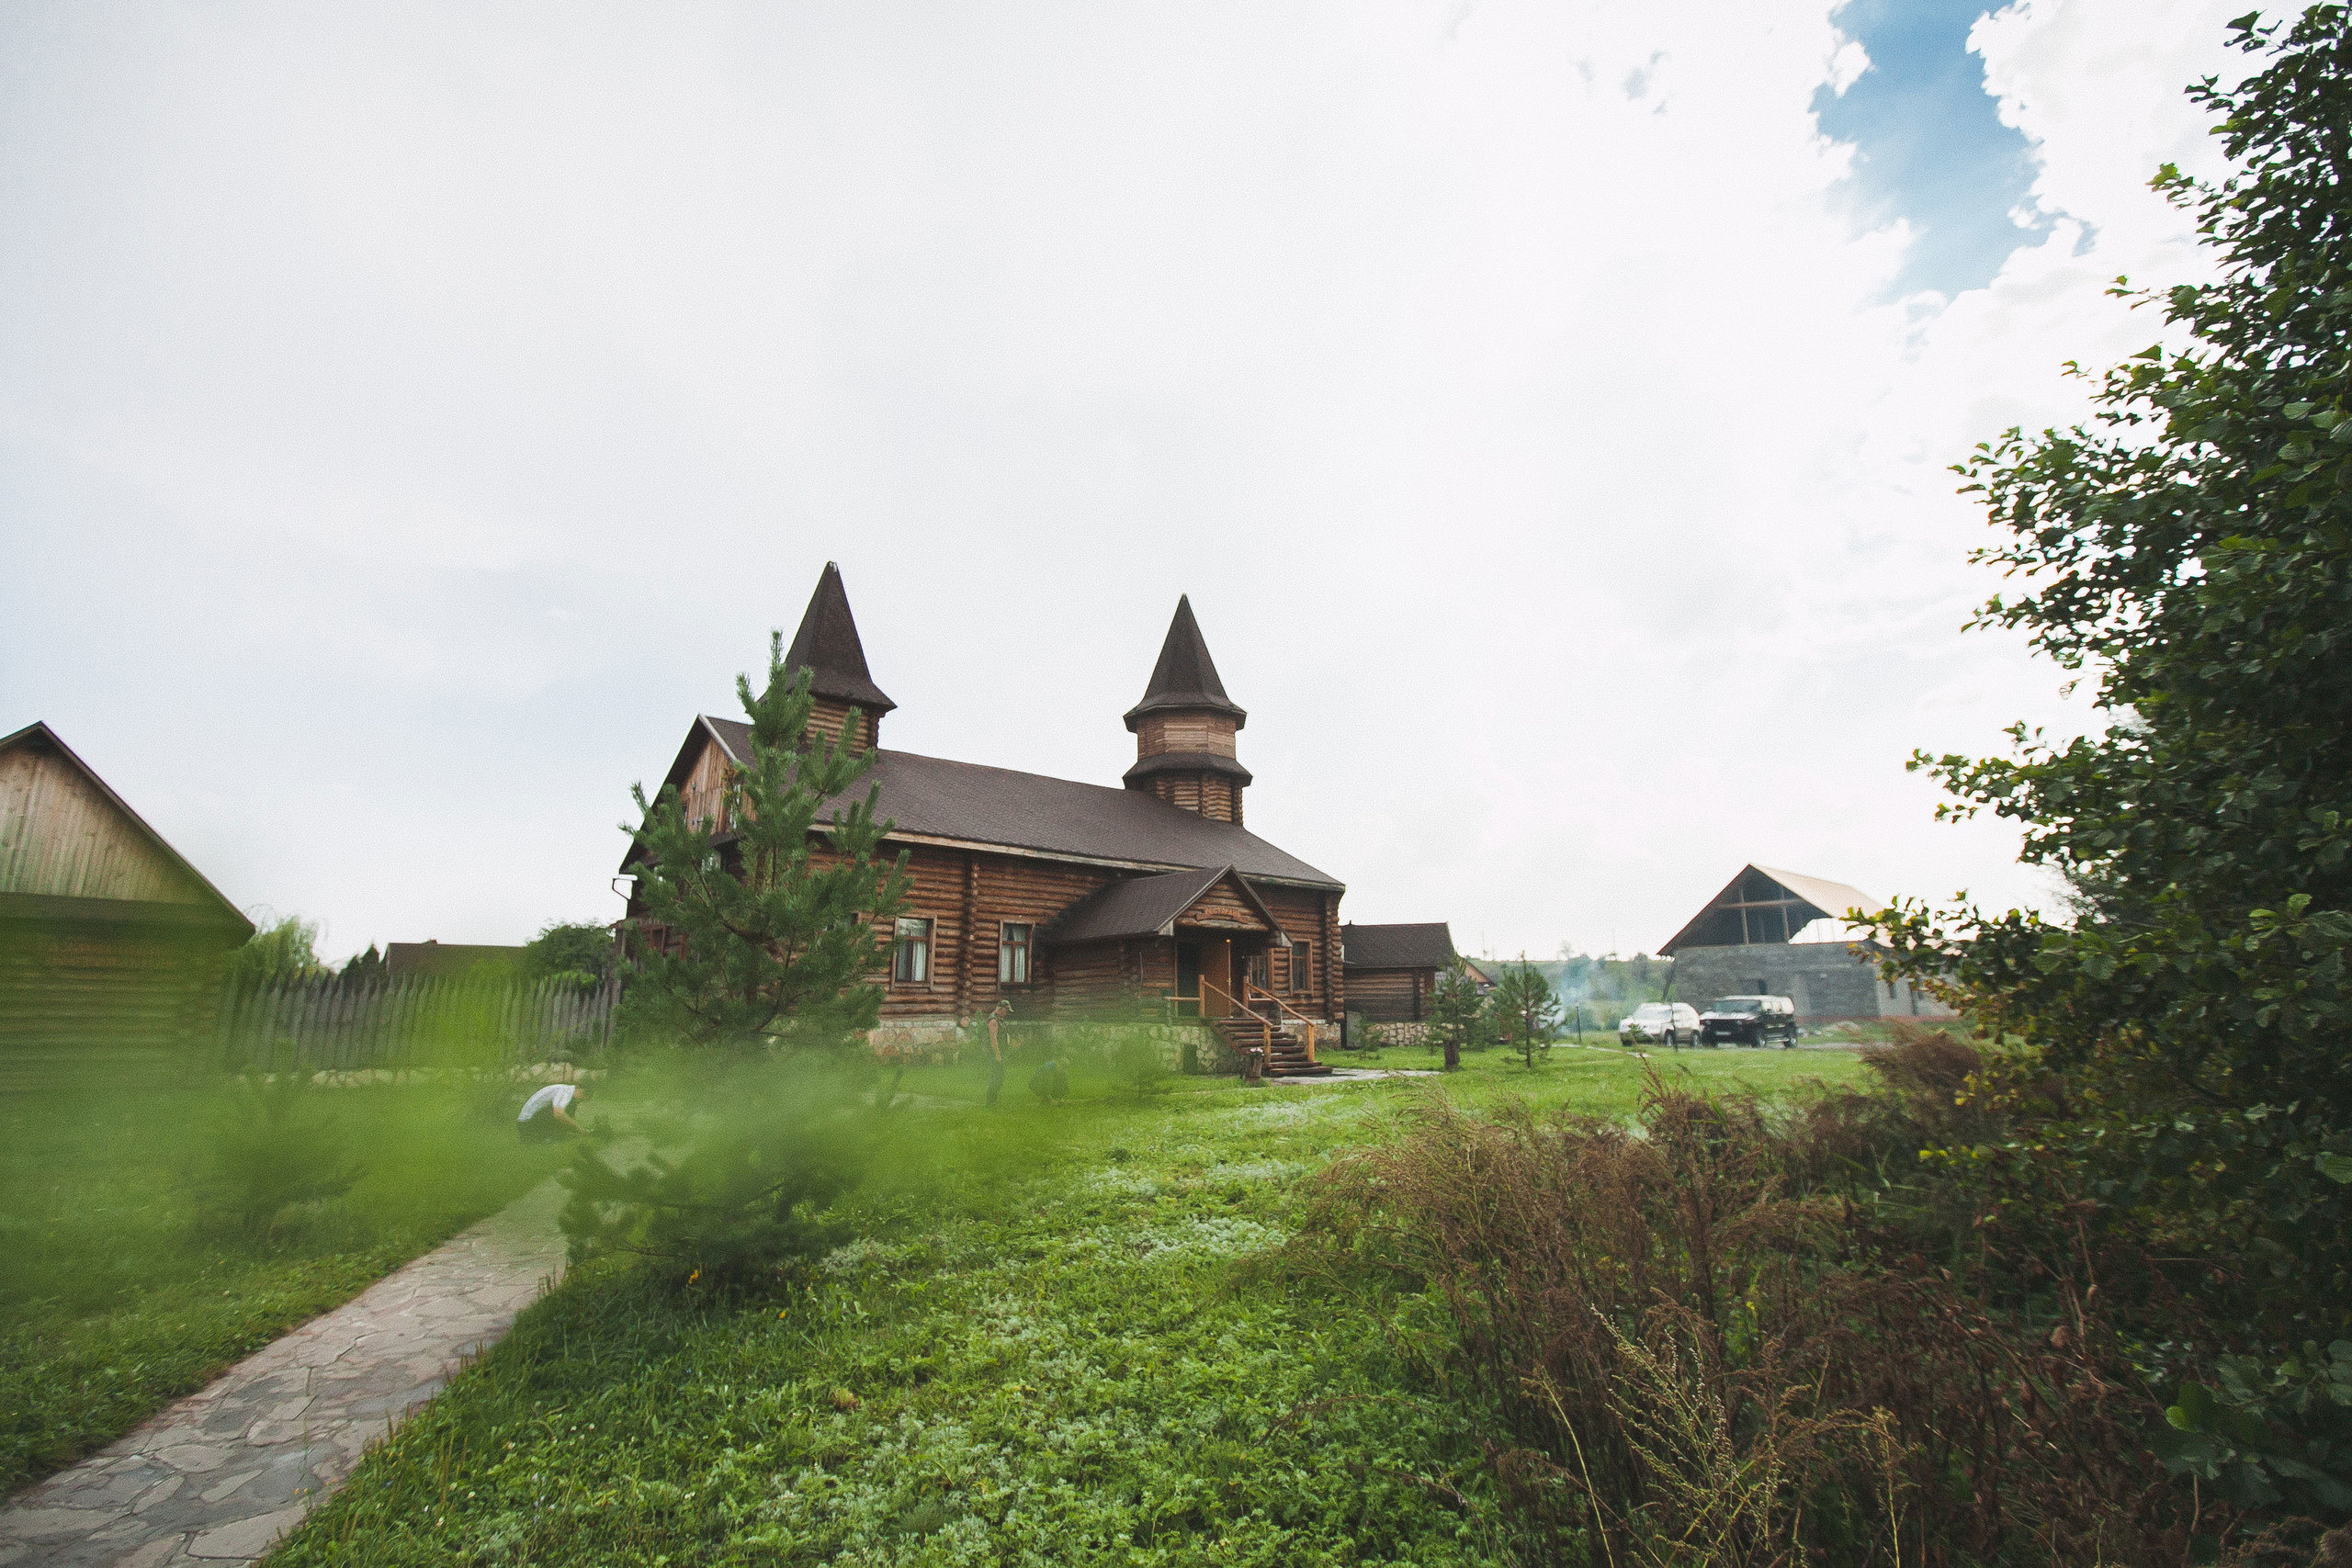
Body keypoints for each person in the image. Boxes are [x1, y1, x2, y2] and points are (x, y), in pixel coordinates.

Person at [517, 1079, 588, 1142]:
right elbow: (558, 1114)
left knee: (567, 1108)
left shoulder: (565, 1089)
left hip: (525, 1123)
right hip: (527, 1124)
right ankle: (544, 1135)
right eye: (582, 1099)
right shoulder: (565, 1092)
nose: (579, 1101)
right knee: (564, 1110)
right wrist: (578, 1128)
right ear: (580, 1091)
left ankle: (558, 1133)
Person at [984, 1000, 1011, 1107]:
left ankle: (993, 1100)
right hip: (995, 1053)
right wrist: (997, 1055)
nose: (1007, 1013)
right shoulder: (993, 1021)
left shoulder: (1001, 1019)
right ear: (1000, 1009)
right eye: (1006, 1011)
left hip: (1001, 1051)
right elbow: (993, 1039)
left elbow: (1005, 1034)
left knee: (1000, 1076)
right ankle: (991, 1101)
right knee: (997, 1076)